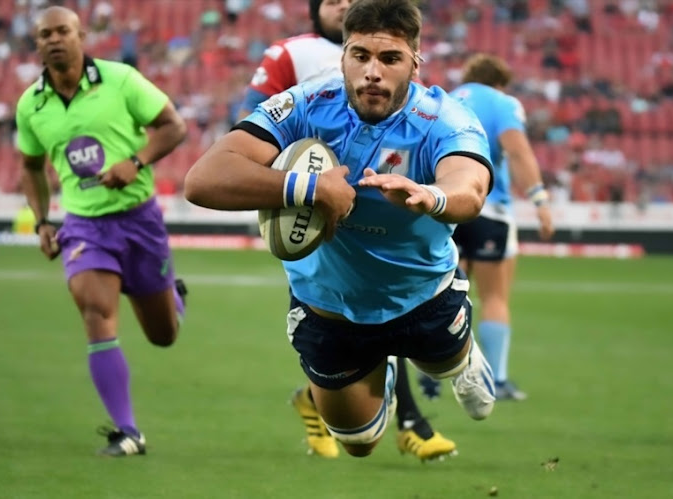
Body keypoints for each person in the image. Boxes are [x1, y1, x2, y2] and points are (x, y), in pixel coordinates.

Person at [185, 0, 496, 458]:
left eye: (390, 59)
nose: (373, 71)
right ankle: (384, 376)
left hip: (422, 298)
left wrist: (431, 197)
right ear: (343, 56)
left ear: (414, 62)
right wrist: (307, 188)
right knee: (358, 443)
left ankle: (465, 358)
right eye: (361, 55)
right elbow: (203, 179)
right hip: (328, 309)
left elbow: (469, 188)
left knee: (450, 366)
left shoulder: (445, 119)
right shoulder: (306, 103)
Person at [15, 6, 188, 457]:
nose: (54, 39)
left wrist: (135, 162)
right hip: (84, 225)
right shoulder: (29, 105)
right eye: (45, 34)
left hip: (139, 220)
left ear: (81, 35)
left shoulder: (121, 80)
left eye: (63, 31)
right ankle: (128, 431)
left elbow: (174, 127)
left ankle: (174, 298)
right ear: (36, 43)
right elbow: (31, 168)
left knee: (163, 335)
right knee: (96, 312)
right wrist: (42, 221)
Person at [419, 54, 554, 402]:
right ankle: (496, 380)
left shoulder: (444, 100)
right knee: (494, 297)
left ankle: (432, 375)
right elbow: (518, 151)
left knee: (442, 295)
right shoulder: (502, 103)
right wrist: (539, 200)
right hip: (489, 208)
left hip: (447, 206)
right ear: (500, 81)